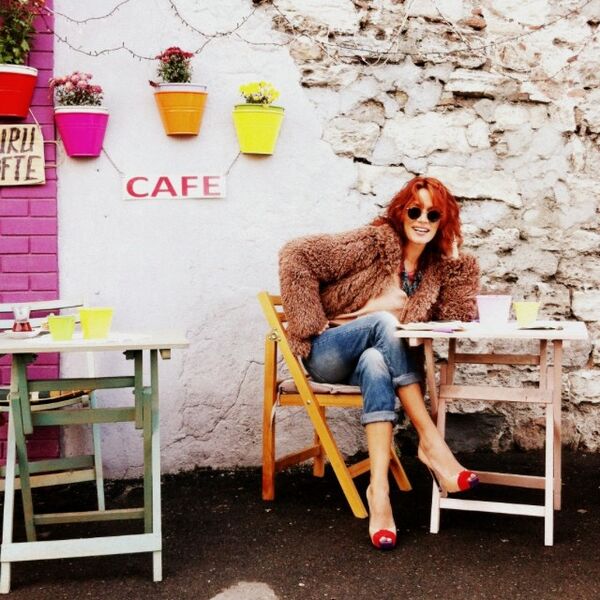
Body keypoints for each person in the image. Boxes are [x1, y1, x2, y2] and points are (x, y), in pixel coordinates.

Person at [278, 176, 480, 550]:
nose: (423, 220)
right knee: (384, 322)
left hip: (371, 362)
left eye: (433, 214)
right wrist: (307, 323)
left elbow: (457, 316)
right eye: (415, 211)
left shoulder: (434, 267)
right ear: (401, 213)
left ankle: (379, 493)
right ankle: (431, 442)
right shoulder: (373, 243)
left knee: (375, 361)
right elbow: (296, 254)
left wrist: (456, 261)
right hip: (329, 352)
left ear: (443, 221)